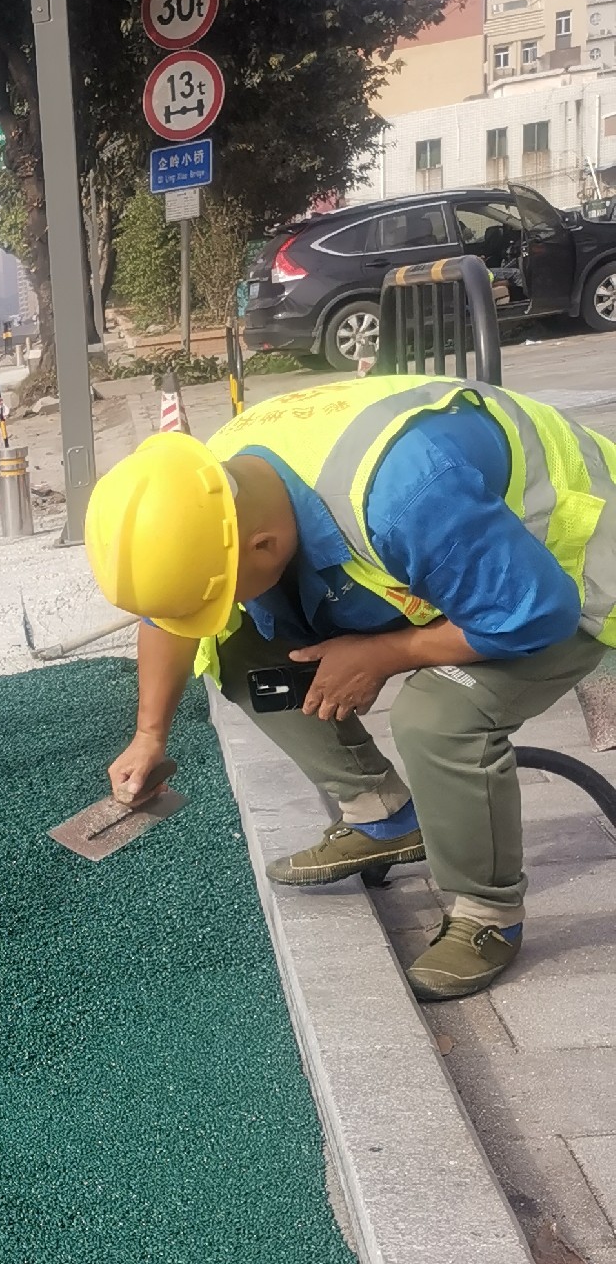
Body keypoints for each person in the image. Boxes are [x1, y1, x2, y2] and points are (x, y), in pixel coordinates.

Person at [87, 375, 615, 1001]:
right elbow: (169, 617)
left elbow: (533, 612)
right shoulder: (211, 492)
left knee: (437, 718)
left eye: (222, 585)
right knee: (239, 651)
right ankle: (382, 815)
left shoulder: (404, 494)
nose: (218, 601)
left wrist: (384, 654)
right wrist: (149, 735)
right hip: (455, 560)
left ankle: (487, 916)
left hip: (566, 571)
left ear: (264, 545)